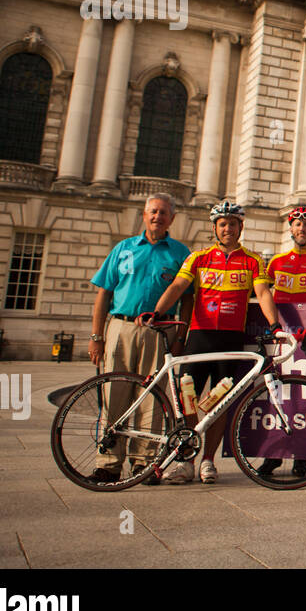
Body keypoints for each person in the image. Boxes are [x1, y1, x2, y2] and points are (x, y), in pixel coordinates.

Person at [145, 201, 282, 485]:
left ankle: (209, 460)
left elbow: (263, 292)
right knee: (188, 400)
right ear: (215, 229)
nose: (228, 229)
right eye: (223, 224)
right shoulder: (198, 258)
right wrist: (157, 312)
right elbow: (177, 288)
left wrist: (274, 324)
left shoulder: (253, 260)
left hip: (231, 338)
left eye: (233, 224)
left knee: (220, 403)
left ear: (240, 228)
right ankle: (186, 462)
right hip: (200, 336)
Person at [87, 193, 192, 484]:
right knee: (114, 395)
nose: (157, 216)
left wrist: (180, 336)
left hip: (161, 331)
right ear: (144, 215)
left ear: (172, 218)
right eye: (152, 212)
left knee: (153, 399)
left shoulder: (181, 253)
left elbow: (187, 300)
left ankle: (144, 463)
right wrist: (96, 336)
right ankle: (108, 463)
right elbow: (103, 293)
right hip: (120, 328)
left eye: (163, 212)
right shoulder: (123, 249)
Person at [254, 206, 306, 480]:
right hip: (281, 337)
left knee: (305, 398)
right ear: (290, 228)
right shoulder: (276, 262)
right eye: (297, 225)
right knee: (277, 397)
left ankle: (302, 456)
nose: (302, 230)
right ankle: (274, 455)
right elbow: (262, 294)